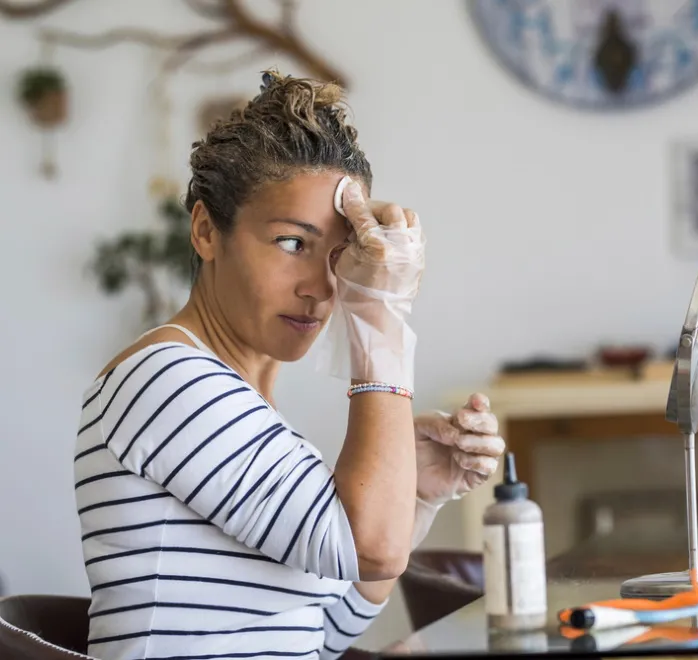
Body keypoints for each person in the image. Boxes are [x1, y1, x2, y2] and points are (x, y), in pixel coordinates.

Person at [73, 71, 505, 660]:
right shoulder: (167, 380)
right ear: (205, 230)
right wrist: (379, 316)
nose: (322, 288)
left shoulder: (243, 408)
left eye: (337, 255)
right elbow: (372, 547)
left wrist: (419, 496)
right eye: (290, 243)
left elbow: (323, 632)